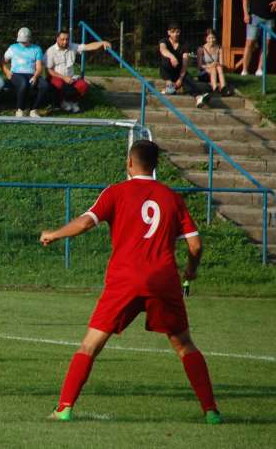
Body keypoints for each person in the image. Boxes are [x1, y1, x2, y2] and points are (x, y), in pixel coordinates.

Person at [39, 140, 221, 425]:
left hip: (125, 279)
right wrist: (191, 270)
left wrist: (54, 234)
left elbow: (87, 223)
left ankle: (64, 408)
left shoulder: (115, 193)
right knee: (184, 344)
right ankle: (211, 411)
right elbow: (195, 245)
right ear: (156, 165)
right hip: (163, 279)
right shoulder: (172, 198)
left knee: (90, 346)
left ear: (129, 163)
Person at [44, 29, 111, 113]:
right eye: (62, 39)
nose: (65, 42)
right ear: (57, 39)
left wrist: (102, 43)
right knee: (59, 84)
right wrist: (64, 78)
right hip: (57, 77)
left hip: (70, 77)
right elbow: (49, 70)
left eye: (67, 39)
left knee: (83, 85)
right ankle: (60, 103)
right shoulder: (51, 51)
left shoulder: (73, 46)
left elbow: (88, 47)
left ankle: (72, 102)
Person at [159, 23, 210, 108]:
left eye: (177, 32)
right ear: (168, 32)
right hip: (166, 70)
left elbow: (185, 62)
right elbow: (162, 50)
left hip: (179, 71)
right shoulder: (164, 41)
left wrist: (180, 78)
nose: (175, 34)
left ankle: (198, 97)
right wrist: (172, 57)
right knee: (166, 58)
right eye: (173, 32)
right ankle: (169, 84)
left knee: (188, 79)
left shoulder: (184, 44)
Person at [2, 27, 50, 118]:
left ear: (30, 39)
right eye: (21, 41)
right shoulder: (13, 48)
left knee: (44, 85)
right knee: (23, 83)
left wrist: (35, 76)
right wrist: (6, 71)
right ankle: (20, 109)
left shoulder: (37, 49)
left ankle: (34, 110)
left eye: (25, 41)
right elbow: (3, 61)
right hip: (16, 74)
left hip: (32, 74)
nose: (23, 43)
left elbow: (39, 67)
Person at [241, 0, 276, 77]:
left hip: (270, 18)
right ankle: (244, 69)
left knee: (266, 44)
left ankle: (259, 69)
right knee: (250, 43)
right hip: (254, 16)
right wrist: (246, 14)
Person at [197, 29, 230, 96]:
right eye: (209, 38)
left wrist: (217, 64)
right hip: (204, 72)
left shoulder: (219, 48)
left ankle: (223, 87)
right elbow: (200, 66)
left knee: (219, 67)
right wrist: (210, 65)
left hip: (217, 71)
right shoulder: (201, 49)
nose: (211, 40)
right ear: (206, 39)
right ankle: (215, 88)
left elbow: (221, 64)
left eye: (213, 38)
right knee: (213, 68)